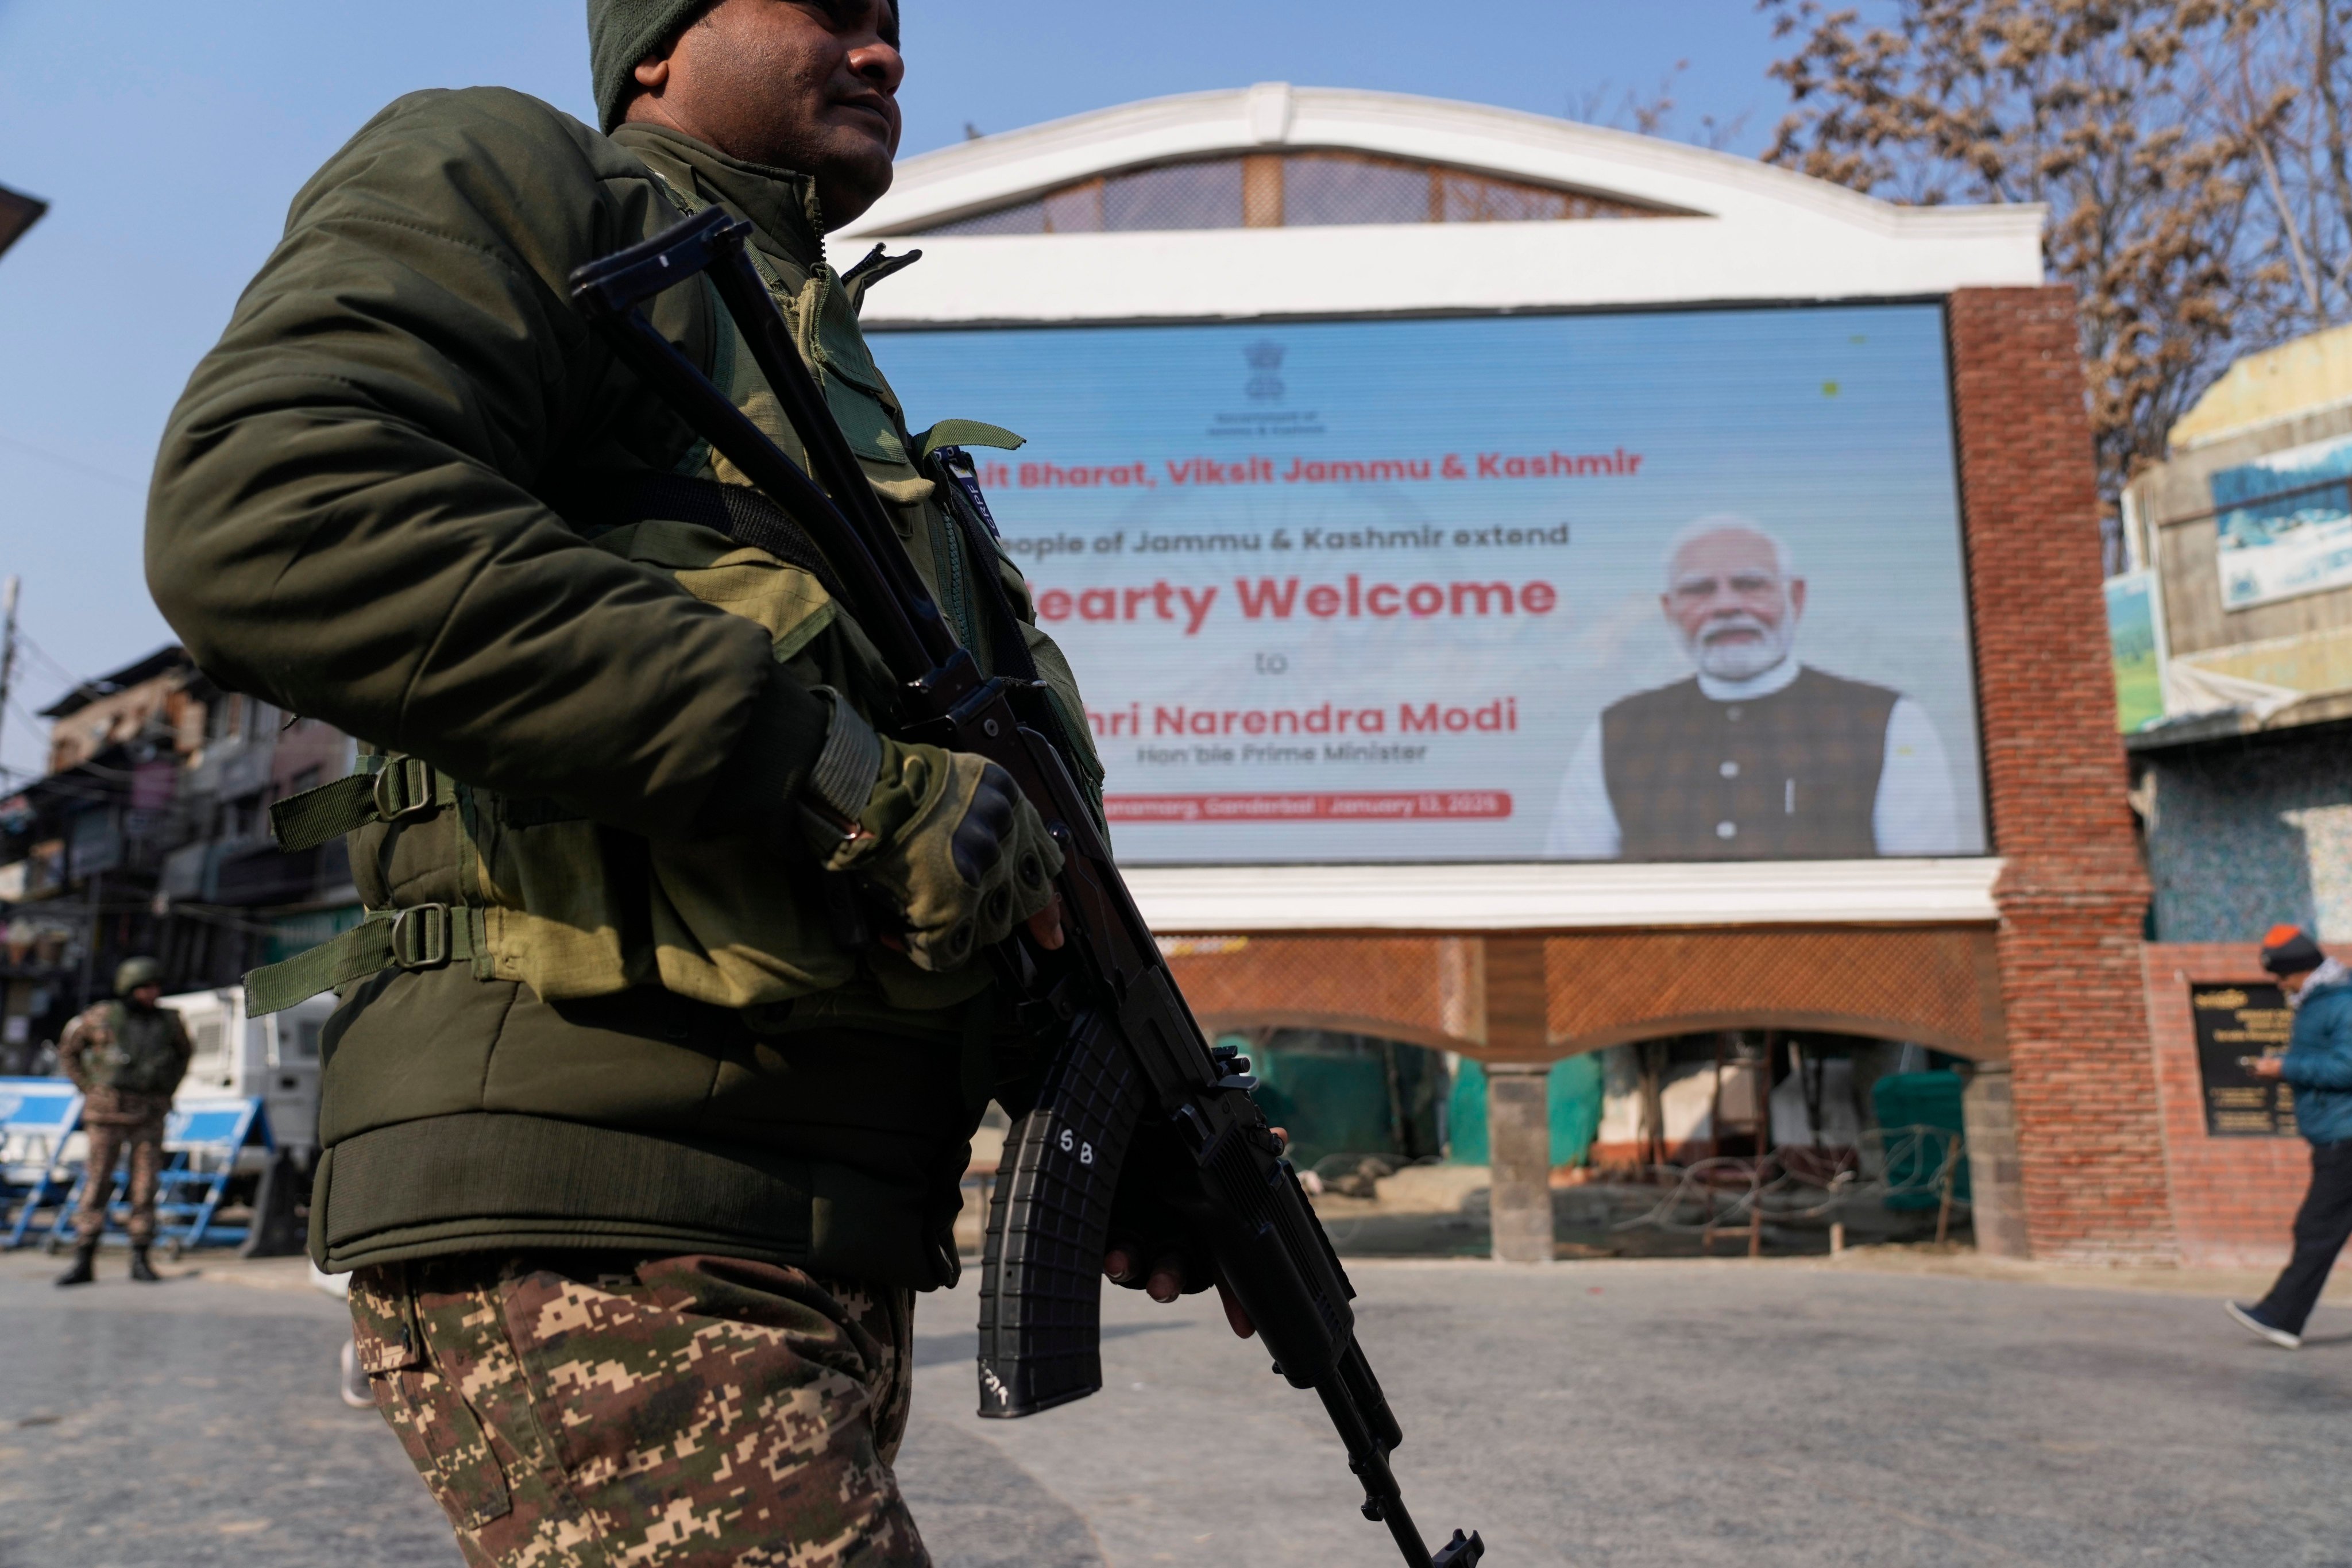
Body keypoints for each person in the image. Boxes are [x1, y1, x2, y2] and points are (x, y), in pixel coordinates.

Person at [143, 2, 1208, 1562]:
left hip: (807, 1228)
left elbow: (981, 870)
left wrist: (1137, 1135)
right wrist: (837, 772)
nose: (882, 53)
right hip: (605, 1211)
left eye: (892, 20)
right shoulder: (522, 179)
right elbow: (274, 500)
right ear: (655, 39)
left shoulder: (836, 386)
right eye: (826, 7)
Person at [1544, 516, 1963, 860]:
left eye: (1750, 584)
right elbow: (1572, 889)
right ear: (1669, 611)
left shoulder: (1889, 721)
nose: (1726, 606)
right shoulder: (1616, 731)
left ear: (1796, 598)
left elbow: (1925, 888)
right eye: (1698, 590)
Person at [2227, 925, 2352, 1349]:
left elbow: (2346, 1069)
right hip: (2336, 1133)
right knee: (2319, 1227)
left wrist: (2284, 1069)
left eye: (2280, 976)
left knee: (2316, 1227)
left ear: (2298, 970)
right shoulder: (2321, 1000)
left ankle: (2281, 1315)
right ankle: (2281, 1314)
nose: (2277, 985)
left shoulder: (2340, 1002)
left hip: (2345, 1135)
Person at [54, 956, 192, 1287]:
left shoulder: (169, 1022)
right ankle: (84, 1257)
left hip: (148, 1113)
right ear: (129, 988)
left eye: (156, 987)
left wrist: (166, 1089)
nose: (152, 994)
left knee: (145, 1186)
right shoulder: (101, 1017)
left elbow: (183, 1055)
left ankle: (141, 1257)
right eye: (145, 987)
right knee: (97, 1182)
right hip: (107, 1112)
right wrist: (88, 1088)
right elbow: (69, 1051)